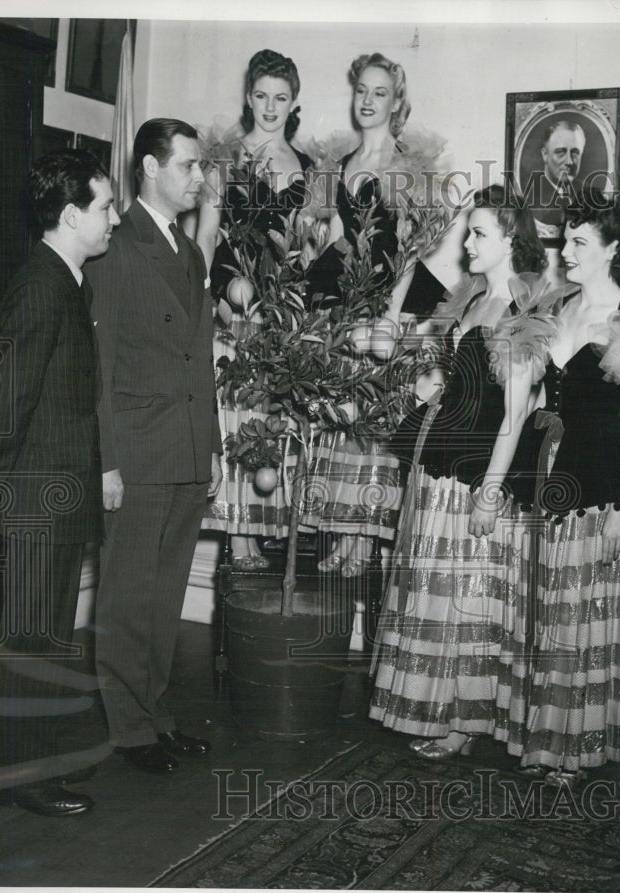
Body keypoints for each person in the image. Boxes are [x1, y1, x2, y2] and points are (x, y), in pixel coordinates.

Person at [369, 186, 551, 759]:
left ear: (509, 243)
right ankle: (435, 709)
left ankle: (464, 722)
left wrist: (492, 490)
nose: (468, 242)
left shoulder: (524, 313)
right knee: (434, 590)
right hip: (438, 459)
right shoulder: (470, 300)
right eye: (469, 231)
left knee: (466, 597)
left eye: (479, 234)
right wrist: (430, 384)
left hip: (477, 471)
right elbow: (454, 375)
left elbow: (519, 411)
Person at [0, 149, 118, 815]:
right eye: (105, 206)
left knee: (49, 635)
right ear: (70, 215)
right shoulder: (41, 285)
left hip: (60, 495)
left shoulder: (66, 281)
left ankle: (37, 770)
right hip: (34, 496)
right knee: (29, 637)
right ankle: (20, 781)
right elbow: (9, 391)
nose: (112, 217)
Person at [516, 198, 620, 786]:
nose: (567, 253)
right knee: (546, 605)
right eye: (565, 242)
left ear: (612, 249)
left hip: (602, 482)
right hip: (549, 470)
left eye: (580, 242)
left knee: (580, 614)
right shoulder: (558, 307)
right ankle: (541, 734)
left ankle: (571, 748)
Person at [86, 119, 223, 775]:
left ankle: (156, 717)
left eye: (199, 167)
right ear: (149, 167)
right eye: (188, 166)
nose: (199, 178)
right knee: (125, 597)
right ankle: (128, 730)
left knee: (164, 596)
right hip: (137, 452)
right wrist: (106, 461)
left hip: (187, 449)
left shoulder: (191, 253)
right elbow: (100, 366)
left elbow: (201, 359)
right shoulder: (115, 249)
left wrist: (215, 445)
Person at [303, 52, 444, 576]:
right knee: (348, 416)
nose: (367, 100)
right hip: (348, 298)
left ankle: (363, 542)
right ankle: (343, 534)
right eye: (361, 90)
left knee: (380, 419)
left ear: (396, 101)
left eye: (379, 92)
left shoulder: (406, 164)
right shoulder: (341, 165)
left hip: (394, 301)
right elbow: (337, 242)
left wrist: (389, 314)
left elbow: (410, 248)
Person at [197, 49, 312, 568]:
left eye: (281, 98)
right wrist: (201, 301)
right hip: (232, 300)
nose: (270, 107)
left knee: (270, 421)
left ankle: (261, 526)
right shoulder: (225, 157)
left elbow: (311, 248)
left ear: (293, 102)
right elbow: (203, 237)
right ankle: (236, 535)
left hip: (281, 307)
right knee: (235, 417)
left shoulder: (310, 168)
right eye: (261, 95)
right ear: (249, 97)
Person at [524, 119, 586, 239]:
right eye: (560, 152)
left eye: (575, 153)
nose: (569, 161)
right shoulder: (527, 195)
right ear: (544, 155)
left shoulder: (589, 194)